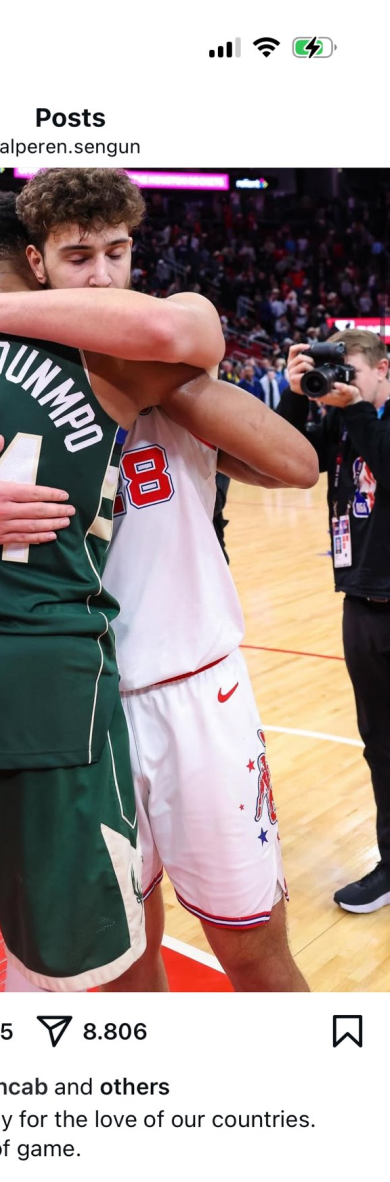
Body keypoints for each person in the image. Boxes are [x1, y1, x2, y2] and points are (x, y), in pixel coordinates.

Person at [0, 175, 315, 994]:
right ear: (36, 265)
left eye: (117, 252)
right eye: (80, 257)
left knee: (253, 951)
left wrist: (169, 392)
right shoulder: (6, 386)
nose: (104, 274)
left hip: (195, 689)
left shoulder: (161, 354)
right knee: (119, 963)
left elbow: (296, 463)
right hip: (80, 707)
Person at [279, 330, 390, 913]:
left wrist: (358, 410)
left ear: (382, 368)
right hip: (363, 604)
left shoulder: (366, 418)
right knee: (381, 746)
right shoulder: (342, 422)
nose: (341, 384)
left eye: (350, 373)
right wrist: (296, 395)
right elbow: (286, 460)